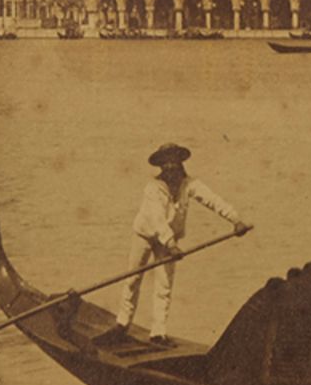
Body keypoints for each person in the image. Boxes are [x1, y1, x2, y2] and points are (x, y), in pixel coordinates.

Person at [97, 143, 249, 348]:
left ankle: (158, 334)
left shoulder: (190, 184)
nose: (171, 167)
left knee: (164, 285)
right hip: (145, 235)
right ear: (161, 166)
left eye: (174, 162)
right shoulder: (153, 188)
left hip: (168, 242)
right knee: (133, 279)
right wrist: (170, 244)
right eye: (166, 163)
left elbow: (212, 200)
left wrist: (235, 220)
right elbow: (158, 220)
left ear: (180, 163)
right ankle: (122, 325)